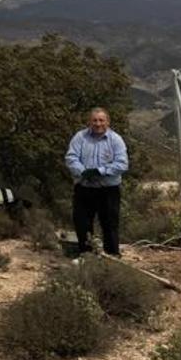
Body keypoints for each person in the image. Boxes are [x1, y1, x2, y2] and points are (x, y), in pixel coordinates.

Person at [64, 107, 128, 256]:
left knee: (110, 224)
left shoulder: (116, 140)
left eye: (101, 120)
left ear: (108, 122)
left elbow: (122, 164)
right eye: (95, 120)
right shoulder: (80, 137)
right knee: (82, 223)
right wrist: (83, 172)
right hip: (84, 188)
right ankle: (86, 255)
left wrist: (100, 171)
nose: (98, 124)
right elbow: (71, 158)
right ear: (89, 122)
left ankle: (112, 256)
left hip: (108, 190)